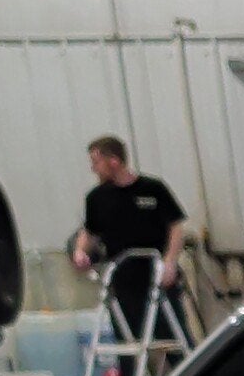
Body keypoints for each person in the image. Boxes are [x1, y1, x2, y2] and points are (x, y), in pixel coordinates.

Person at [72, 135, 194, 341]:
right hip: (124, 281)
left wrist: (170, 262)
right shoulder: (96, 198)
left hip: (157, 276)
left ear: (114, 161)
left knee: (174, 338)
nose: (93, 169)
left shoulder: (153, 189)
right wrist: (80, 251)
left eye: (96, 162)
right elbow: (90, 231)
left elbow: (175, 226)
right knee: (128, 345)